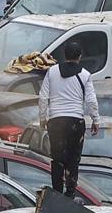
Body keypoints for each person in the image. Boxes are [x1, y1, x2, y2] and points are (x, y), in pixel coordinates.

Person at [38, 42, 99, 197]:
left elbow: (43, 97)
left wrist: (43, 119)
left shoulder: (51, 72)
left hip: (56, 122)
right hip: (75, 122)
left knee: (57, 159)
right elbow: (91, 100)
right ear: (80, 57)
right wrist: (95, 120)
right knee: (73, 159)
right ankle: (70, 193)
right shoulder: (85, 75)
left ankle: (56, 193)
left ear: (64, 56)